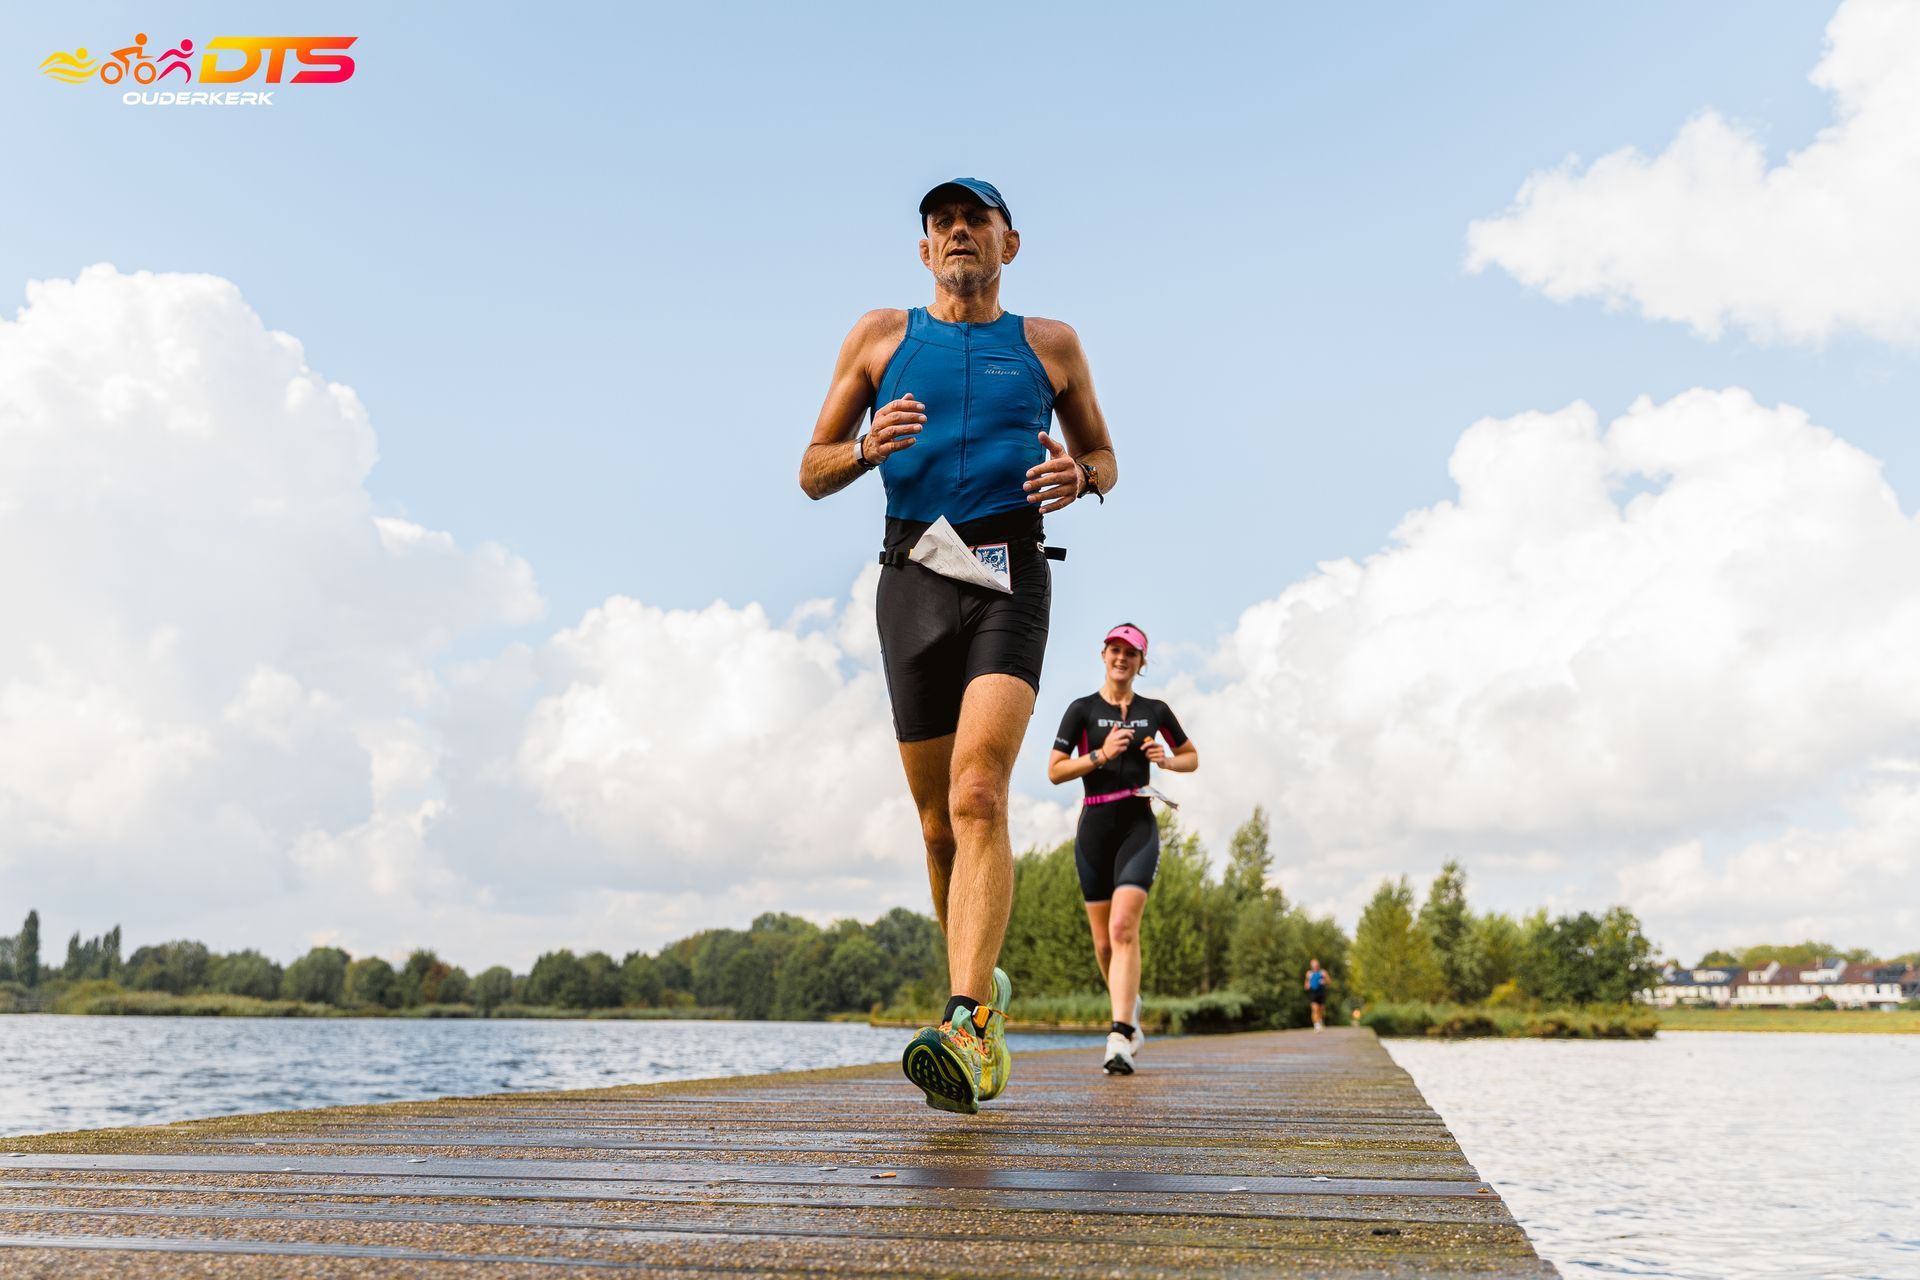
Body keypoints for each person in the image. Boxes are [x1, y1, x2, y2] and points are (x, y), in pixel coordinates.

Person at [799, 178, 1117, 1114]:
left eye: (976, 219)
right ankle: (980, 999)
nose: (958, 232)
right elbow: (811, 470)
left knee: (979, 792)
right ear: (925, 251)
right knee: (938, 825)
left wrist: (1081, 476)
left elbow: (1104, 456)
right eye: (941, 223)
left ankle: (967, 1021)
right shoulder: (879, 336)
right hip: (913, 577)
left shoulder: (1050, 345)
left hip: (1011, 574)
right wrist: (865, 449)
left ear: (1009, 244)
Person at [1047, 623, 1197, 1074]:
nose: (1121, 658)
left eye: (1130, 653)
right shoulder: (1082, 710)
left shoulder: (1155, 710)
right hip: (1094, 828)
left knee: (1123, 927)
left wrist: (1166, 760)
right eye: (1115, 649)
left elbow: (1191, 757)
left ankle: (1120, 1036)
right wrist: (1102, 755)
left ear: (1141, 662)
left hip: (1138, 824)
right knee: (1104, 943)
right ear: (1103, 655)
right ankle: (1130, 1009)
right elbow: (1055, 771)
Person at [1305, 958, 1330, 1030]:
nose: (1315, 967)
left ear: (1318, 965)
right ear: (1311, 966)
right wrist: (1307, 985)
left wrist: (1324, 981)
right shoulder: (1309, 973)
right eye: (1313, 966)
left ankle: (1320, 1020)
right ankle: (1316, 1024)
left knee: (1321, 1009)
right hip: (1313, 992)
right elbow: (1306, 984)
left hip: (1321, 992)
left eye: (1316, 965)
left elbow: (1329, 981)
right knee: (1314, 1009)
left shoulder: (1323, 972)